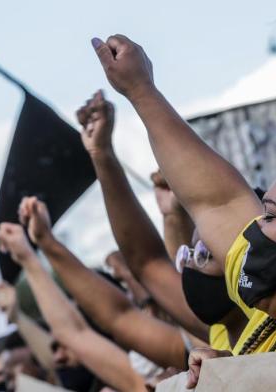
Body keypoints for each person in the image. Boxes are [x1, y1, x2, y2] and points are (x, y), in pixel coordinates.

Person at [90, 34, 276, 388]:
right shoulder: (270, 326)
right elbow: (218, 201)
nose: (251, 230)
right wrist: (141, 91)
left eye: (270, 216)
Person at [75, 90, 248, 352]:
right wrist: (101, 154)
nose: (189, 263)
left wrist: (139, 89)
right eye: (187, 254)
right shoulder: (223, 338)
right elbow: (147, 263)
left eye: (204, 253)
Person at [0, 223, 147, 392]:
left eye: (66, 347)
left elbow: (72, 332)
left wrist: (31, 256)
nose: (58, 357)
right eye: (55, 348)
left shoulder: (147, 380)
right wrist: (16, 316)